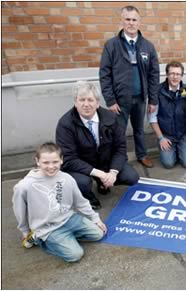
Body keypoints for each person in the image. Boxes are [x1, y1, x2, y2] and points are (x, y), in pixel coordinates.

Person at [12, 142, 107, 262]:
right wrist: (25, 230)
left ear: (61, 160)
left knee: (98, 234)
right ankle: (38, 238)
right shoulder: (24, 186)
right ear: (37, 161)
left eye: (55, 162)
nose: (51, 166)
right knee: (75, 255)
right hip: (47, 227)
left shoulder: (67, 178)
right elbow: (19, 210)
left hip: (68, 218)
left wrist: (95, 218)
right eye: (46, 162)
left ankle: (65, 239)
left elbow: (80, 202)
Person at [56, 81, 139, 209]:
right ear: (75, 102)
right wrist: (99, 174)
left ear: (98, 102)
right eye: (81, 100)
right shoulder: (65, 124)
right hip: (81, 166)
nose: (86, 104)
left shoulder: (111, 118)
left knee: (131, 177)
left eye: (90, 100)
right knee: (82, 183)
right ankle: (87, 197)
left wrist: (112, 173)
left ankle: (103, 183)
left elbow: (120, 148)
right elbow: (68, 158)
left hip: (105, 161)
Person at [99, 5, 160, 168]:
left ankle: (142, 154)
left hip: (140, 98)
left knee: (139, 130)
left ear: (139, 22)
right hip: (119, 101)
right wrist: (110, 100)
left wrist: (153, 99)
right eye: (128, 19)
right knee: (119, 132)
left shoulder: (148, 46)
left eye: (134, 19)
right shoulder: (111, 45)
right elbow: (104, 74)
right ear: (122, 21)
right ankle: (120, 160)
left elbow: (154, 74)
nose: (131, 23)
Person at [148, 61, 186, 169]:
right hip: (166, 134)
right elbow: (152, 119)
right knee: (168, 164)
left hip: (183, 134)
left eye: (178, 74)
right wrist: (161, 138)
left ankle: (180, 148)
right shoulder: (157, 92)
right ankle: (171, 150)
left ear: (182, 76)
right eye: (172, 73)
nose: (175, 77)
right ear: (167, 75)